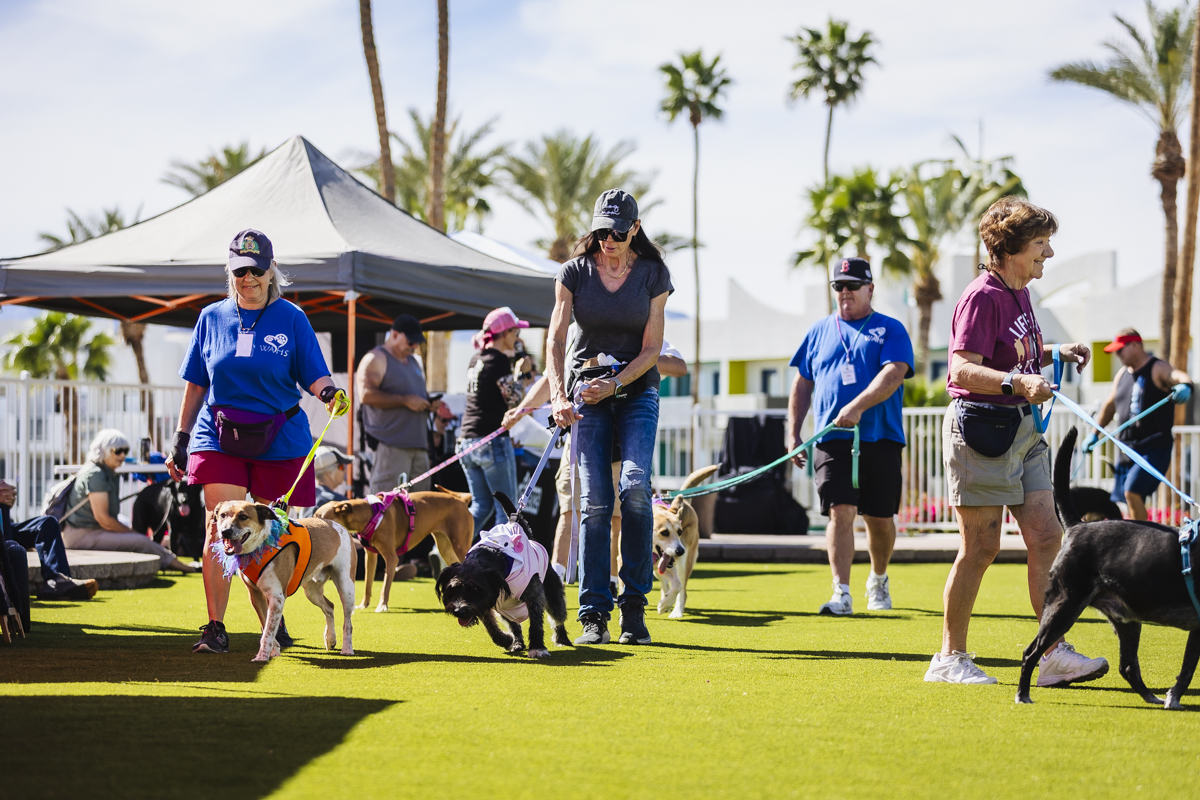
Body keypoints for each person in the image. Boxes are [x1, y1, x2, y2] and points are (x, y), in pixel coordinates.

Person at [928, 196, 1108, 685]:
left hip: (1023, 431)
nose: (1048, 253)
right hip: (981, 432)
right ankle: (948, 659)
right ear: (1009, 248)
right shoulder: (982, 296)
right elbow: (961, 368)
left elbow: (1014, 351)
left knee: (1048, 537)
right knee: (980, 548)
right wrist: (1017, 382)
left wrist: (1054, 352)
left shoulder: (1021, 292)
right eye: (1040, 243)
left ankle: (1051, 653)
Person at [166, 229, 346, 655]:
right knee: (220, 527)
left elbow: (314, 373)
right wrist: (181, 438)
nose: (247, 278)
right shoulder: (211, 317)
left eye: (256, 270)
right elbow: (196, 384)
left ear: (271, 271)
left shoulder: (292, 317)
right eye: (239, 271)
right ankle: (215, 627)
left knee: (268, 533)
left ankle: (272, 624)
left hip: (278, 434)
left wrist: (328, 393)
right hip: (219, 432)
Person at [546, 188, 672, 646]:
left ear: (635, 229)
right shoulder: (574, 272)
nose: (609, 240)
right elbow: (555, 340)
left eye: (618, 232)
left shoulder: (654, 273)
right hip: (587, 396)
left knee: (635, 488)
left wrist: (615, 383)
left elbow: (652, 349)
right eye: (602, 232)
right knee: (595, 501)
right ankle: (593, 614)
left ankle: (634, 609)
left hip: (637, 392)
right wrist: (559, 396)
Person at [506, 338, 688, 592]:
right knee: (570, 512)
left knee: (616, 519)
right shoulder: (575, 332)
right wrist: (521, 410)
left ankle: (611, 583)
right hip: (579, 438)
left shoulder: (640, 332)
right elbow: (551, 379)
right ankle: (554, 582)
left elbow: (679, 367)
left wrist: (640, 359)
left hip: (622, 442)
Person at [786, 257, 914, 616]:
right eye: (838, 286)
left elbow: (895, 372)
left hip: (880, 437)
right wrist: (793, 433)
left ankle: (879, 578)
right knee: (839, 512)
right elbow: (803, 382)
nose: (845, 292)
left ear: (870, 289)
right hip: (832, 440)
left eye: (853, 285)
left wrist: (857, 406)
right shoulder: (818, 331)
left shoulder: (890, 328)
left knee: (880, 519)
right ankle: (841, 592)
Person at [63, 429, 197, 574]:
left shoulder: (106, 472)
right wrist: (131, 532)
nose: (123, 455)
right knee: (141, 541)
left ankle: (175, 562)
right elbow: (103, 519)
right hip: (82, 534)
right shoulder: (96, 475)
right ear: (103, 450)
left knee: (137, 539)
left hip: (90, 531)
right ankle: (184, 567)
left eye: (125, 451)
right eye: (118, 451)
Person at [1091, 328, 1192, 520]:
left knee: (1132, 492)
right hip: (1127, 448)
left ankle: (1141, 538)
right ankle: (1137, 533)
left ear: (1135, 345)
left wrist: (1186, 385)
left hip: (1153, 447)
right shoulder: (1122, 374)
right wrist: (1094, 433)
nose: (1118, 354)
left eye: (1120, 349)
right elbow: (1110, 406)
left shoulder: (1157, 367)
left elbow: (1178, 375)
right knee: (1126, 498)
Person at [459, 307, 536, 537]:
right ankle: (500, 557)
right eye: (515, 332)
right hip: (491, 441)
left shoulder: (476, 359)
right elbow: (514, 400)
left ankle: (445, 549)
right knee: (507, 510)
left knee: (481, 506)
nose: (517, 338)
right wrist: (521, 375)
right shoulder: (499, 359)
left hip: (467, 442)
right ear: (505, 333)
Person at [357, 315, 440, 494]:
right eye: (410, 341)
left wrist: (428, 403)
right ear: (395, 335)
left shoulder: (413, 361)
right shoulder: (376, 357)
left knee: (421, 505)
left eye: (417, 342)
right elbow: (366, 395)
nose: (414, 346)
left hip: (419, 446)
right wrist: (405, 401)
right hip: (392, 446)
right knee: (388, 504)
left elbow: (413, 395)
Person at [0, 480, 97, 600]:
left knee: (47, 523)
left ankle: (57, 581)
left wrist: (7, 498)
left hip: (7, 528)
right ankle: (8, 582)